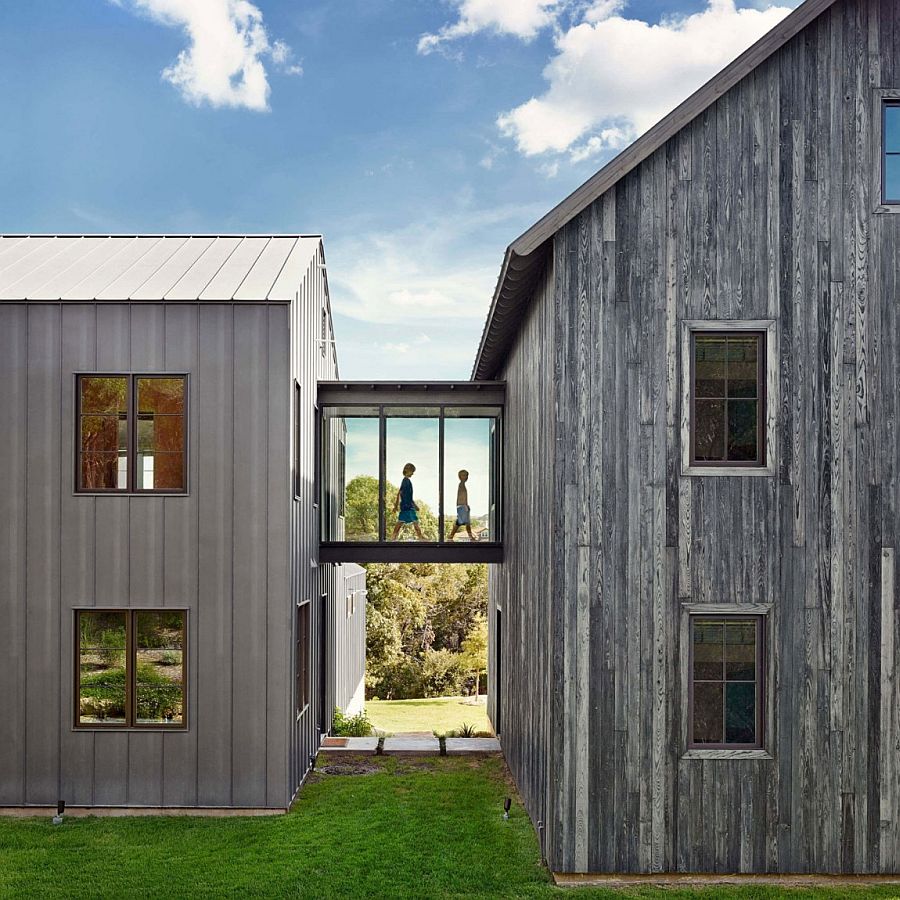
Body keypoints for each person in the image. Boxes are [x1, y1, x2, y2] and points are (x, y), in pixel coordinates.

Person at [391, 462, 425, 541]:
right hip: (408, 507)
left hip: (406, 506)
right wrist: (413, 505)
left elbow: (405, 495)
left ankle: (393, 537)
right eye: (412, 471)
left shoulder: (405, 481)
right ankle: (420, 537)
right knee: (414, 522)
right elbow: (401, 494)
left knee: (401, 522)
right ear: (407, 470)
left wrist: (414, 505)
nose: (413, 473)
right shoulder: (406, 481)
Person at [448, 469, 477, 542]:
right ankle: (451, 537)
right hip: (462, 506)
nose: (466, 477)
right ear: (460, 477)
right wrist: (465, 506)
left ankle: (470, 537)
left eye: (467, 475)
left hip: (462, 506)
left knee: (466, 522)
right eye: (464, 475)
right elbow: (462, 497)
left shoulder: (462, 485)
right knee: (460, 523)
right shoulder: (461, 485)